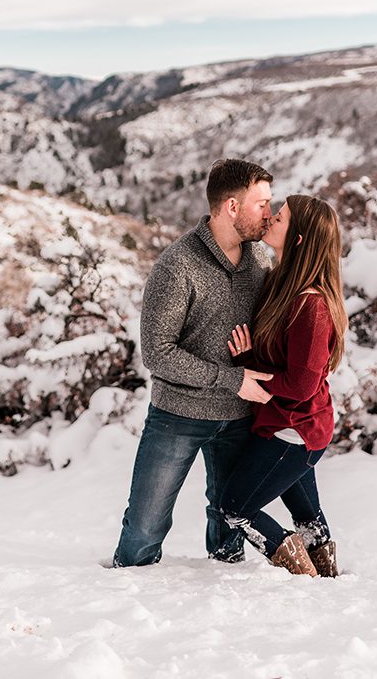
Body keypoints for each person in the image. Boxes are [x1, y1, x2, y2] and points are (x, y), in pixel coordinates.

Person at [112, 158, 276, 568]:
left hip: (241, 417)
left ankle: (218, 604)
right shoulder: (177, 265)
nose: (269, 214)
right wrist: (230, 379)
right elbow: (157, 352)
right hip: (177, 416)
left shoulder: (261, 261)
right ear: (232, 207)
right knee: (144, 530)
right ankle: (123, 599)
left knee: (229, 534)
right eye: (262, 204)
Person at [219, 195, 347, 577]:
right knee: (306, 514)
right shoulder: (283, 284)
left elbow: (301, 384)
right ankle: (327, 578)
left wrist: (248, 376)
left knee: (235, 507)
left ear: (300, 239)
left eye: (281, 217)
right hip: (288, 424)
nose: (271, 218)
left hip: (295, 430)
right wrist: (248, 361)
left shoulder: (312, 305)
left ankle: (303, 575)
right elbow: (283, 365)